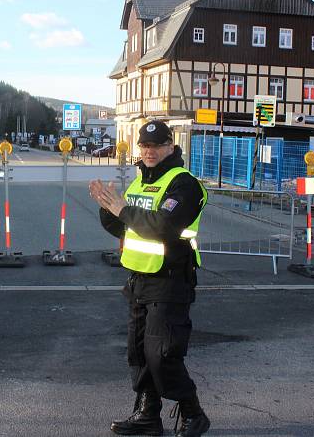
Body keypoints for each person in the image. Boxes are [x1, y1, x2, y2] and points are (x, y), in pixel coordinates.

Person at [89, 120, 210, 437]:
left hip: (170, 278)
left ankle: (194, 414)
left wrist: (122, 209)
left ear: (170, 147)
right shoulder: (140, 182)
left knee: (162, 354)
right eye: (144, 146)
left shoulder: (184, 184)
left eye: (156, 146)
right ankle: (147, 414)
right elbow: (124, 226)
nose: (149, 151)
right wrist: (108, 208)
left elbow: (162, 227)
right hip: (139, 278)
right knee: (140, 352)